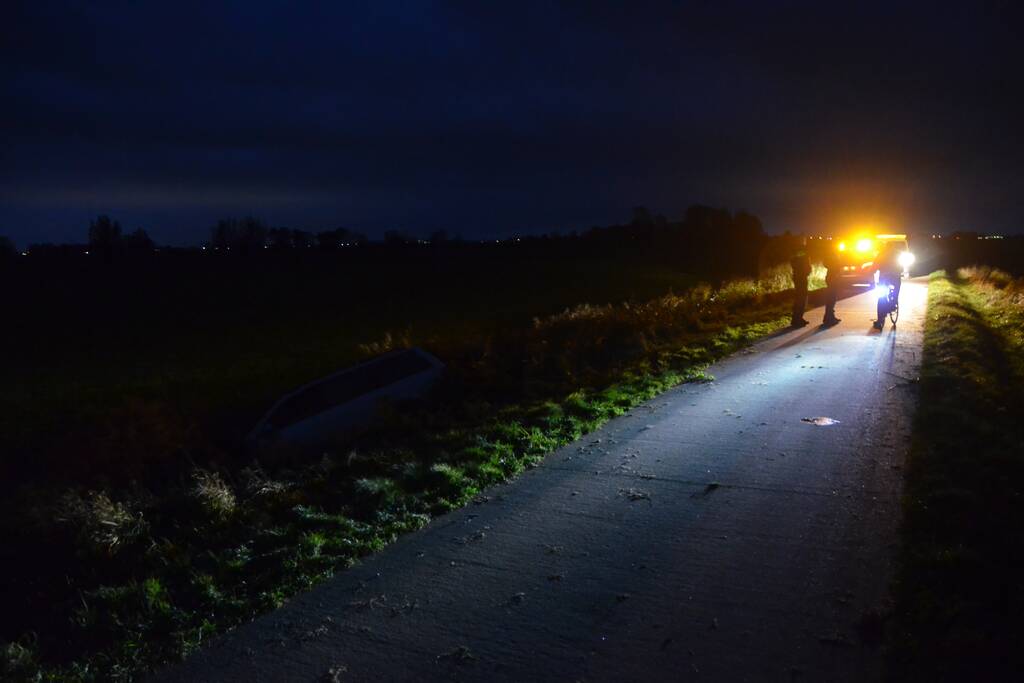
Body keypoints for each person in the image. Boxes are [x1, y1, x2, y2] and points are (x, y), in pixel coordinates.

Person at [873, 243, 902, 329]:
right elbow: (901, 267)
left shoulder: (882, 253)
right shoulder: (897, 253)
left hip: (884, 277)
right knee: (896, 289)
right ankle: (894, 302)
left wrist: (872, 271)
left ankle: (879, 320)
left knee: (881, 297)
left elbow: (875, 265)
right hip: (894, 277)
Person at [790, 242, 811, 327]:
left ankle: (797, 318)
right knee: (801, 299)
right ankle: (797, 319)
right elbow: (806, 266)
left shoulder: (795, 253)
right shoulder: (804, 254)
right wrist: (807, 271)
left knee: (799, 298)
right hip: (801, 278)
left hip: (797, 277)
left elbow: (793, 263)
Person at [821, 249, 841, 326]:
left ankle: (830, 317)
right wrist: (834, 267)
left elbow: (826, 264)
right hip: (832, 277)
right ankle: (828, 318)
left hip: (832, 276)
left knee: (832, 299)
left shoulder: (832, 253)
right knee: (831, 298)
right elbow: (827, 264)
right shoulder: (831, 254)